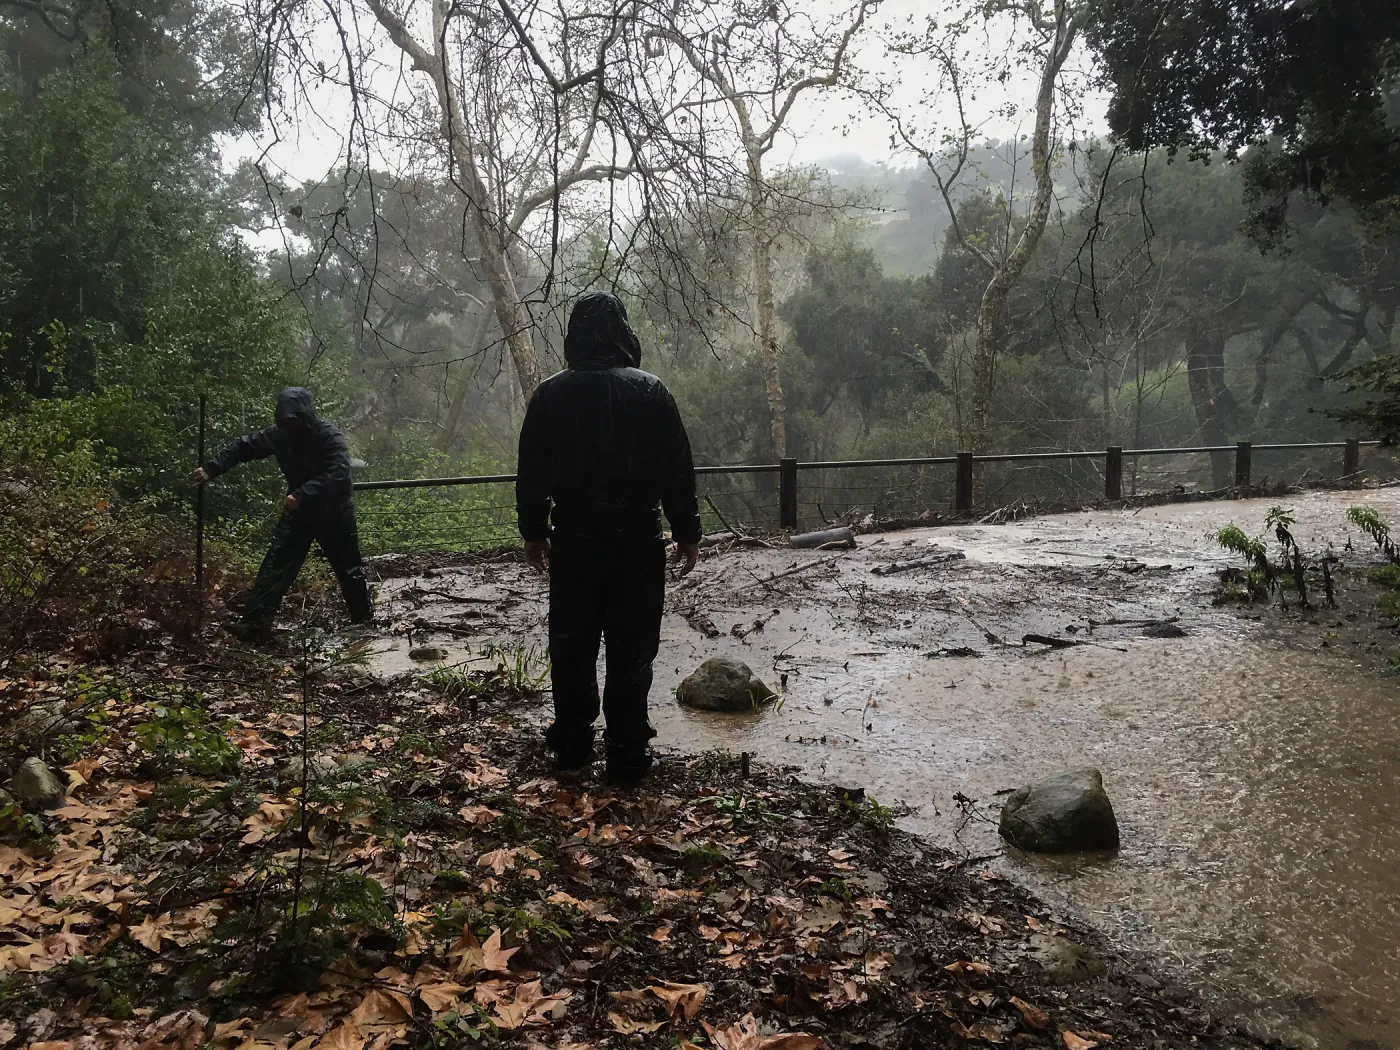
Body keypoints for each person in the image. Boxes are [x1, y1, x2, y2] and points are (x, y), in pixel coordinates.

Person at [516, 291, 702, 785]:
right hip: (637, 542)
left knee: (571, 644)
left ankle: (573, 743)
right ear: (622, 330)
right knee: (632, 646)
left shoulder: (551, 394)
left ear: (574, 334)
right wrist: (687, 533)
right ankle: (626, 751)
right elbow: (677, 472)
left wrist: (534, 533)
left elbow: (531, 473)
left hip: (574, 539)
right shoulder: (651, 391)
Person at [192, 387, 371, 641]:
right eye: (285, 419)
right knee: (276, 566)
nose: (290, 424)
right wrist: (212, 468)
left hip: (334, 513)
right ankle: (253, 625)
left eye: (294, 419)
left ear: (306, 415)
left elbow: (340, 472)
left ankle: (363, 622)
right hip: (300, 513)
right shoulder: (280, 436)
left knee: (348, 568)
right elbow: (244, 447)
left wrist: (302, 494)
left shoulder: (329, 435)